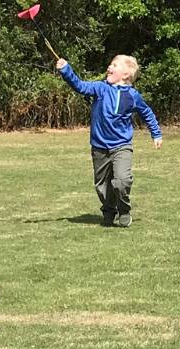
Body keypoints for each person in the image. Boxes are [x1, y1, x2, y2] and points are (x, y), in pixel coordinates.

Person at [55, 55, 163, 227]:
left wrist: (156, 134)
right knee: (102, 186)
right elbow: (80, 86)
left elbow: (147, 114)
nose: (109, 67)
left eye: (114, 65)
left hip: (122, 146)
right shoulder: (100, 88)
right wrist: (66, 70)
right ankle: (109, 210)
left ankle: (124, 210)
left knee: (122, 180)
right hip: (99, 147)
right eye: (110, 64)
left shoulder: (133, 96)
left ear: (125, 74)